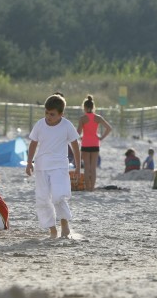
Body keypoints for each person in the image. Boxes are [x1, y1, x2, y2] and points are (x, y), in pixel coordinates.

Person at [26, 93, 81, 239]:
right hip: (41, 166)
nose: (48, 116)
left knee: (58, 196)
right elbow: (33, 143)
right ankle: (52, 230)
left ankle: (64, 222)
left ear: (61, 114)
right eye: (46, 112)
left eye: (52, 114)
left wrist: (77, 166)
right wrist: (29, 162)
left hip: (59, 166)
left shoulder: (67, 125)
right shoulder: (40, 124)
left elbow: (75, 146)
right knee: (43, 199)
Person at [77, 95, 112, 191]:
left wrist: (80, 137)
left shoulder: (82, 118)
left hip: (85, 143)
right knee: (93, 168)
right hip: (95, 143)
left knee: (86, 168)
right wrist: (101, 137)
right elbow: (109, 128)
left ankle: (87, 187)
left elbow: (78, 132)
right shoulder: (98, 117)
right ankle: (92, 188)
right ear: (93, 107)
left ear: (84, 107)